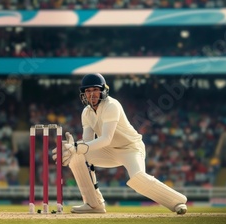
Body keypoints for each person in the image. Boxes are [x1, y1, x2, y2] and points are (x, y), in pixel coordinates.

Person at [52, 73, 188, 214]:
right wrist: (74, 148)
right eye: (87, 91)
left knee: (137, 179)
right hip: (108, 151)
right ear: (83, 93)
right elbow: (87, 143)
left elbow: (106, 138)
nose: (91, 94)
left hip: (130, 148)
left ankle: (177, 202)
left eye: (95, 90)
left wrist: (77, 147)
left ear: (103, 90)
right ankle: (94, 205)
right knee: (77, 157)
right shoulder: (86, 112)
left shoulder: (112, 105)